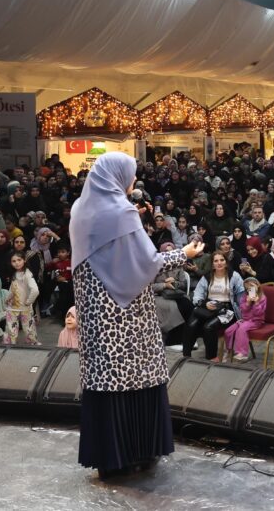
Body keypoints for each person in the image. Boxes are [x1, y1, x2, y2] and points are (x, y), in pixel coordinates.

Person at [68, 152, 205, 480]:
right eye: (131, 175)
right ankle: (140, 452)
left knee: (105, 379)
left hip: (94, 313)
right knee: (138, 378)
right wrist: (183, 254)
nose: (133, 181)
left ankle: (112, 458)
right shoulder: (122, 212)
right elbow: (148, 263)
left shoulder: (79, 209)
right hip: (127, 316)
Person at [186, 252, 247, 361]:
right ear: (212, 264)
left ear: (226, 262)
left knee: (208, 327)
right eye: (216, 261)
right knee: (192, 324)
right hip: (208, 307)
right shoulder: (207, 277)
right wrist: (204, 303)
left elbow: (242, 298)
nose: (219, 263)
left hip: (226, 310)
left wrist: (244, 315)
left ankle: (212, 358)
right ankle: (186, 356)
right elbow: (197, 295)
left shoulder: (234, 276)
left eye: (222, 260)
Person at [223, 277, 267, 362]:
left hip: (256, 321)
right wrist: (248, 303)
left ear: (257, 285)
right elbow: (242, 309)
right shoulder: (244, 296)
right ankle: (229, 350)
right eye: (247, 288)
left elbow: (259, 313)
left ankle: (242, 353)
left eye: (251, 286)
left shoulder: (262, 298)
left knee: (241, 329)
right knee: (228, 331)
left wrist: (256, 303)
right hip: (245, 320)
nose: (249, 289)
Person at [4, 252, 40, 346]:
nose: (16, 263)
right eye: (13, 261)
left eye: (19, 260)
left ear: (24, 260)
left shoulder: (27, 274)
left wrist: (28, 301)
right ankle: (10, 345)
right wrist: (8, 298)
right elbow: (13, 288)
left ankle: (32, 344)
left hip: (25, 306)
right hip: (12, 306)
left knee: (28, 327)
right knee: (11, 327)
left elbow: (35, 290)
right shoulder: (14, 273)